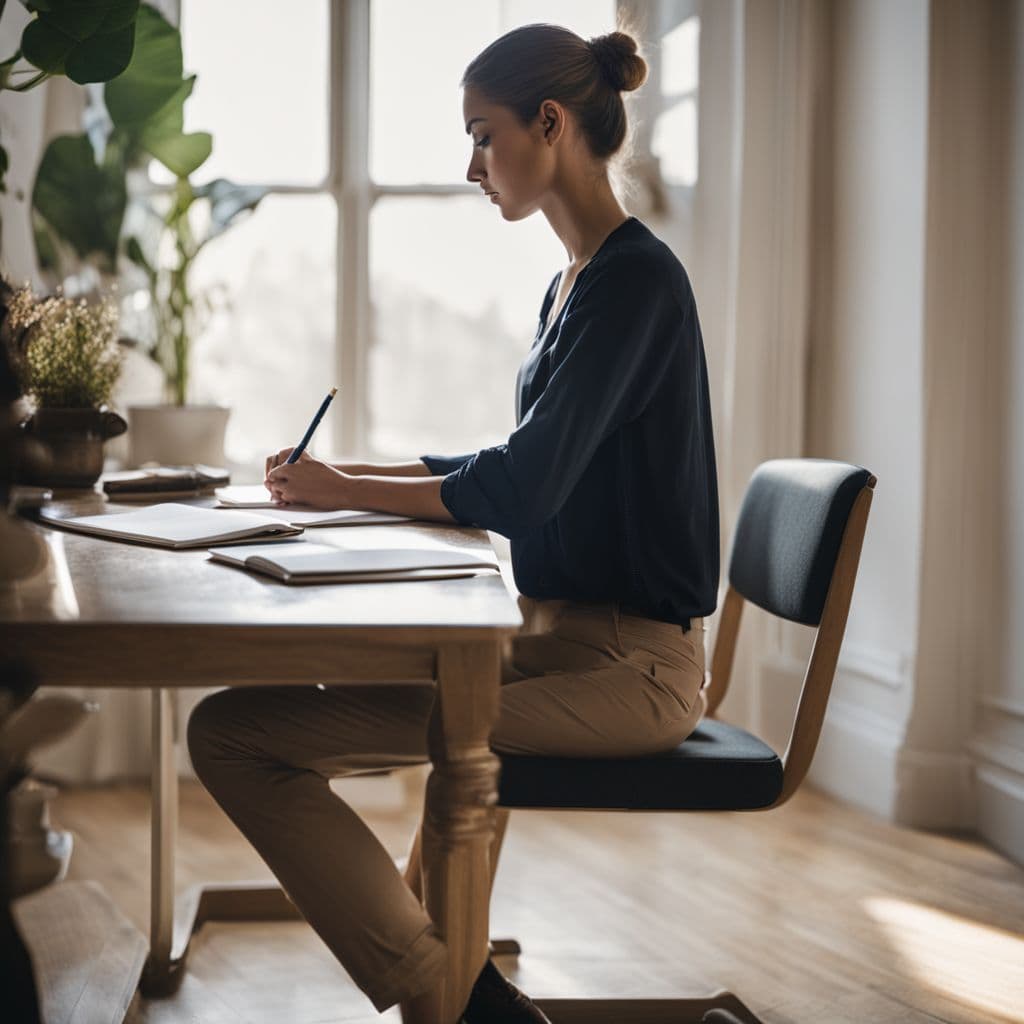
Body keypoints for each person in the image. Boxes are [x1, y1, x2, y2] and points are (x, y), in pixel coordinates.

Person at [188, 23, 719, 1024]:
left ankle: (457, 1002)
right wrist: (336, 476)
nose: (471, 165)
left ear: (549, 124)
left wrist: (344, 488)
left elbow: (519, 490)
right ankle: (454, 987)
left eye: (483, 135)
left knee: (235, 737)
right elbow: (507, 465)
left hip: (629, 673)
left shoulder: (636, 283)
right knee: (236, 719)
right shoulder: (572, 285)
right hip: (551, 646)